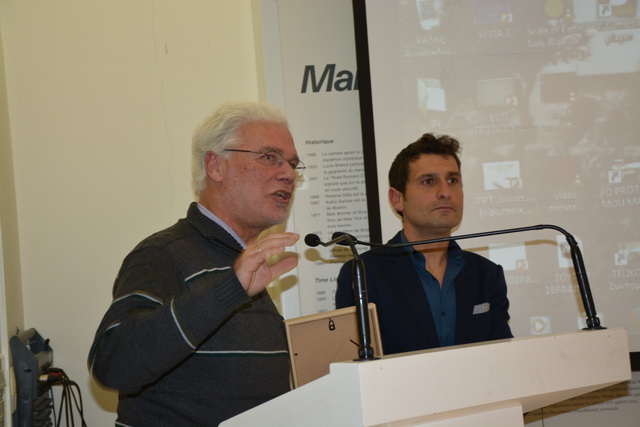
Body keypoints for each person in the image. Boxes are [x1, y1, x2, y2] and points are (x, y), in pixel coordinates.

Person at [88, 101, 304, 425]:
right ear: (215, 166)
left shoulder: (241, 259)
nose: (288, 174)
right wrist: (230, 288)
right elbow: (113, 364)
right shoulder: (162, 253)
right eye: (269, 157)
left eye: (292, 163)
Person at [335, 133, 512, 355]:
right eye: (428, 181)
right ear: (397, 199)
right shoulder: (363, 274)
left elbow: (502, 357)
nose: (445, 192)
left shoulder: (487, 275)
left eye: (453, 180)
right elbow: (353, 362)